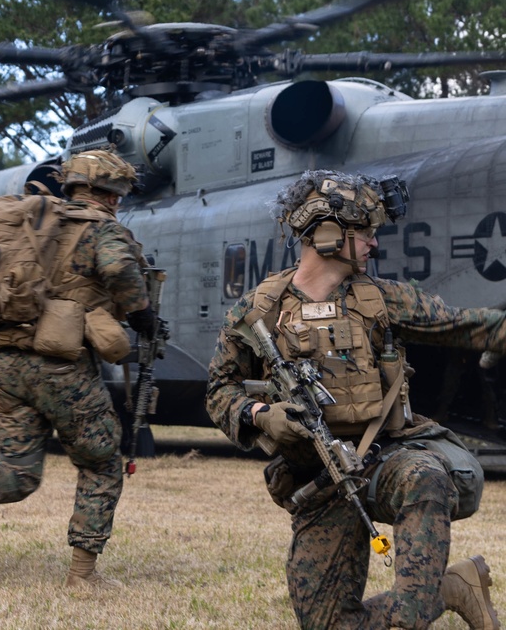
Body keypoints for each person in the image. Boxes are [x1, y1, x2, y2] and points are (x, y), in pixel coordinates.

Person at [206, 169, 503, 629]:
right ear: (326, 233)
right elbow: (220, 390)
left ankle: (412, 615)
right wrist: (262, 414)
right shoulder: (258, 312)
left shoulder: (382, 300)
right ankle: (452, 587)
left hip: (387, 458)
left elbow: (467, 324)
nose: (374, 243)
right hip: (319, 479)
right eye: (364, 231)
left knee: (424, 475)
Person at [0, 149, 157, 588]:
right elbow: (117, 267)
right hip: (63, 367)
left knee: (18, 471)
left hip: (3, 365)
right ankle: (82, 575)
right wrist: (142, 315)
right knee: (100, 464)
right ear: (113, 194)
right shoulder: (99, 228)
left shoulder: (28, 223)